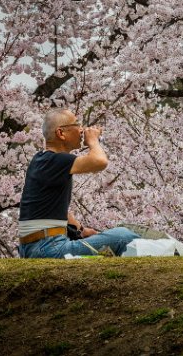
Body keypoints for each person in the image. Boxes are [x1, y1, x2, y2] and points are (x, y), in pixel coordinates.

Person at [17, 108, 139, 258]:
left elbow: (51, 208)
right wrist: (93, 141)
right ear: (61, 133)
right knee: (123, 236)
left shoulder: (41, 159)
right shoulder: (55, 160)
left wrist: (81, 230)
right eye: (76, 124)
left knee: (118, 237)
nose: (81, 129)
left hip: (35, 246)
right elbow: (100, 161)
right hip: (48, 247)